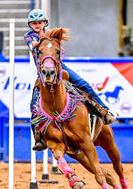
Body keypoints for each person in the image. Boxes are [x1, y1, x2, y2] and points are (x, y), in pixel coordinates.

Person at [24, 9, 116, 151]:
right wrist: (47, 37)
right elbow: (34, 46)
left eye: (40, 22)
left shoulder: (51, 36)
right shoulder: (30, 37)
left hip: (60, 68)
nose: (37, 25)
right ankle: (38, 137)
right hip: (43, 73)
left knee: (83, 84)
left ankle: (104, 111)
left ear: (44, 23)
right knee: (34, 103)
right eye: (34, 23)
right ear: (30, 25)